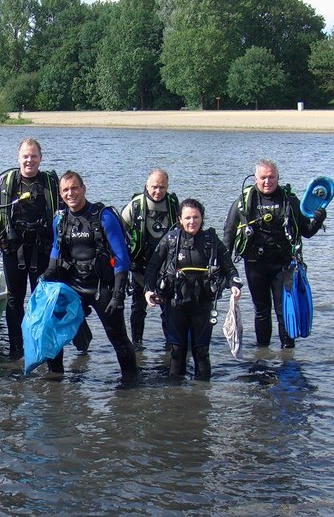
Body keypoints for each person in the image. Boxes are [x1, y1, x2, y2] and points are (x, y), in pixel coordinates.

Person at [41, 171, 138, 376]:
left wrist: (118, 294)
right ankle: (55, 379)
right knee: (52, 331)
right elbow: (55, 253)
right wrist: (46, 276)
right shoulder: (60, 220)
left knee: (118, 338)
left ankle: (131, 384)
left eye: (75, 188)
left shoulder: (104, 216)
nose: (71, 193)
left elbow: (121, 258)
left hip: (102, 287)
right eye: (65, 190)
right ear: (60, 194)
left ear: (83, 189)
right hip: (74, 286)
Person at [223, 159, 325, 348]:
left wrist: (318, 220)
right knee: (261, 311)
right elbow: (228, 234)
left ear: (278, 178)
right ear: (256, 178)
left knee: (284, 311)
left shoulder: (290, 200)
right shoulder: (244, 202)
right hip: (255, 265)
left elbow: (307, 231)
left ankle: (287, 356)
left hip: (283, 266)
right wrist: (226, 270)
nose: (267, 181)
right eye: (263, 178)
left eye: (271, 177)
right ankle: (263, 354)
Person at [0, 139, 59, 358]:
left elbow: (67, 214)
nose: (29, 160)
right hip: (13, 250)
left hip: (43, 250)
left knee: (42, 299)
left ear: (40, 158)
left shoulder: (50, 183)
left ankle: (42, 347)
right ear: (18, 157)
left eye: (33, 156)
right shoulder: (6, 183)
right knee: (14, 300)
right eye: (25, 156)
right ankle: (16, 348)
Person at [144, 199, 242, 380]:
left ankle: (203, 397)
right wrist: (148, 290)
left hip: (203, 303)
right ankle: (175, 396)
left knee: (202, 351)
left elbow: (229, 267)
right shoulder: (171, 240)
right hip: (175, 302)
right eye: (187, 218)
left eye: (196, 217)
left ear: (202, 218)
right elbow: (152, 267)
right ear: (180, 219)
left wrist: (234, 285)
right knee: (177, 351)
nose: (192, 222)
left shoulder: (211, 241)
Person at [121, 169, 179, 350]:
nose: (157, 191)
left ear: (167, 187)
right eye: (154, 187)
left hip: (165, 268)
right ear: (147, 185)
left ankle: (170, 345)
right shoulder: (135, 205)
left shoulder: (173, 205)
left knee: (169, 309)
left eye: (162, 187)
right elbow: (118, 233)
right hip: (140, 266)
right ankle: (137, 345)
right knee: (138, 308)